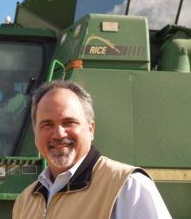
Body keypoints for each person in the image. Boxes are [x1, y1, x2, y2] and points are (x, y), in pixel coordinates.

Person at [12, 80, 172, 219]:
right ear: (36, 133)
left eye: (69, 122)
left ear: (91, 129)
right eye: (47, 125)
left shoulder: (127, 186)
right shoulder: (25, 201)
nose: (59, 134)